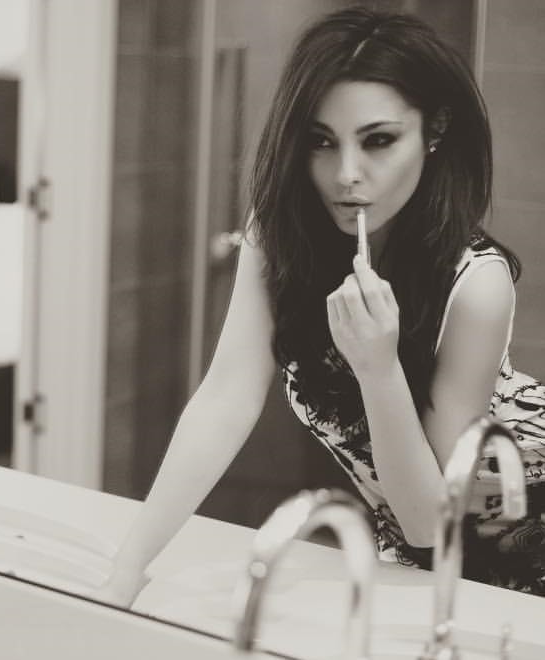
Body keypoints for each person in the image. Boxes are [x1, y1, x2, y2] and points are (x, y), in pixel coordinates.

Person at [101, 5, 545, 605]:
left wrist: (378, 369)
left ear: (435, 130)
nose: (346, 174)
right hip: (422, 557)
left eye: (379, 140)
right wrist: (128, 566)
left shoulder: (477, 283)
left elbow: (429, 523)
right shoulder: (279, 237)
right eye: (321, 141)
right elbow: (226, 396)